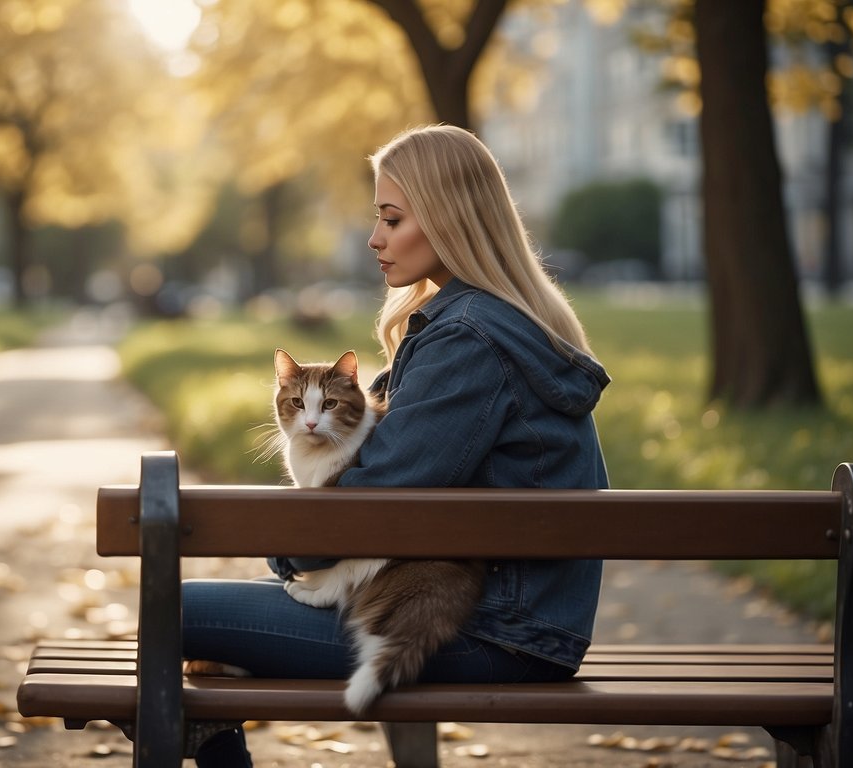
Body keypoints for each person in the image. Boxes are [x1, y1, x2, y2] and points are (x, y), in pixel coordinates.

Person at [182, 124, 611, 766]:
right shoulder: (492, 322)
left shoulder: (470, 339)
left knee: (173, 610)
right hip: (503, 618)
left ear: (446, 218)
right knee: (208, 648)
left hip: (491, 631)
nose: (375, 238)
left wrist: (285, 551)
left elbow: (372, 501)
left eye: (392, 218)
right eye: (376, 218)